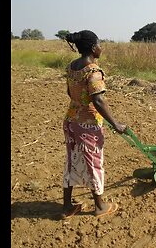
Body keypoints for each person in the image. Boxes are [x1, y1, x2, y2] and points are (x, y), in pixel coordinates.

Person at [61, 30, 127, 219]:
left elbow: (69, 93)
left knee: (71, 160)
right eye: (99, 44)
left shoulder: (72, 67)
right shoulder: (93, 71)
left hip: (70, 120)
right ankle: (99, 206)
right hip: (87, 125)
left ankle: (67, 206)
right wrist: (116, 124)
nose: (101, 48)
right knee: (94, 163)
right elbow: (98, 101)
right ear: (92, 47)